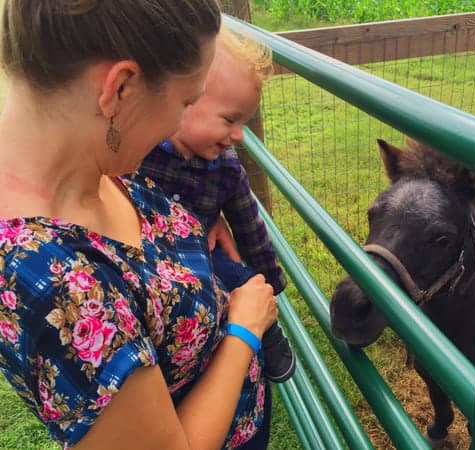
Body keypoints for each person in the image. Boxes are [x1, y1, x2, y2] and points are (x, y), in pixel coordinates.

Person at [0, 1, 278, 449]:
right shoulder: (50, 278)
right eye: (187, 101)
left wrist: (209, 218)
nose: (180, 121)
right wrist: (243, 331)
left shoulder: (94, 156)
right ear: (122, 87)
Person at [140, 27, 295, 383]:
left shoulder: (225, 167)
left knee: (240, 277)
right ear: (187, 98)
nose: (239, 135)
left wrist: (268, 280)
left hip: (204, 255)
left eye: (243, 122)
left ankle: (266, 333)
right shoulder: (140, 151)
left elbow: (249, 224)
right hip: (149, 261)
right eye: (230, 120)